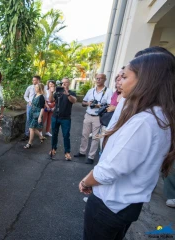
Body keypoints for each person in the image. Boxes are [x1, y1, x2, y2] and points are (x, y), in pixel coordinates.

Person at [79, 52, 175, 240]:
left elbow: (110, 170)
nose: (119, 82)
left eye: (124, 77)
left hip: (111, 203)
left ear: (145, 80)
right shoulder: (159, 116)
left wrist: (86, 182)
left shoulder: (144, 121)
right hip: (126, 204)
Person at [74, 74, 113, 164]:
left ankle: (91, 156)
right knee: (84, 134)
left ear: (105, 79)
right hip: (88, 115)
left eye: (100, 78)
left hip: (98, 117)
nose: (98, 80)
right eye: (97, 78)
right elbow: (83, 103)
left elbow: (110, 105)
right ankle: (82, 152)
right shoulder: (91, 91)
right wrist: (88, 103)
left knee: (95, 137)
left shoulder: (108, 91)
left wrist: (100, 105)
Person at [48, 78, 77, 160]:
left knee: (66, 135)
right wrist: (51, 92)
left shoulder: (71, 93)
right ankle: (53, 149)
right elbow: (51, 100)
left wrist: (67, 93)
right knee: (54, 134)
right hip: (55, 116)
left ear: (69, 83)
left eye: (65, 83)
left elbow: (74, 101)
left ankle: (67, 152)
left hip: (66, 118)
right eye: (62, 83)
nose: (63, 84)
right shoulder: (57, 92)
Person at [24, 83, 46, 149]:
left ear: (39, 88)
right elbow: (33, 103)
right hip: (32, 113)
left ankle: (29, 143)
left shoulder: (41, 97)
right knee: (33, 128)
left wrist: (39, 117)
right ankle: (41, 137)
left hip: (37, 114)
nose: (34, 88)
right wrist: (30, 102)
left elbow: (42, 108)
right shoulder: (35, 95)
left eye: (36, 87)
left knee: (31, 128)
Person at [22, 75, 41, 141]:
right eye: (33, 80)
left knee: (35, 120)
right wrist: (29, 101)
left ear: (38, 80)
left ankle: (34, 133)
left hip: (38, 107)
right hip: (30, 106)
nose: (33, 81)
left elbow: (44, 97)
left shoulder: (41, 88)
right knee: (28, 120)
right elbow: (25, 96)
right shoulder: (30, 87)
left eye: (34, 80)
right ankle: (27, 134)